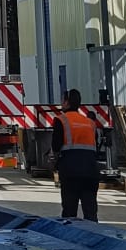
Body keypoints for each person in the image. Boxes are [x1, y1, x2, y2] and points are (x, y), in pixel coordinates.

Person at [51, 88, 101, 222]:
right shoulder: (90, 123)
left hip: (70, 172)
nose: (61, 103)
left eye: (63, 100)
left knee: (69, 213)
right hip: (91, 171)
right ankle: (94, 238)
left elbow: (55, 145)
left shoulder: (61, 120)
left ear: (67, 103)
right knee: (90, 212)